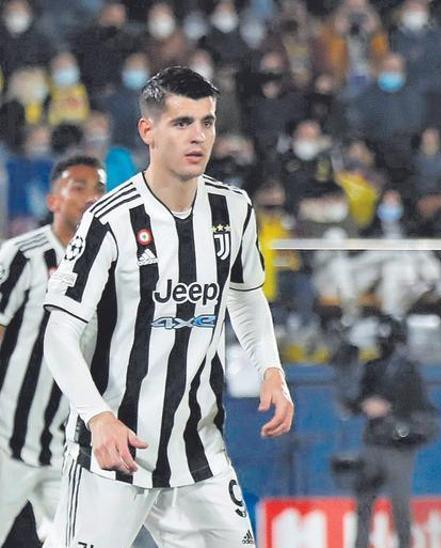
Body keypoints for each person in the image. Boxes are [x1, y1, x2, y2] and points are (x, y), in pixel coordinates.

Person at [40, 66, 294, 546]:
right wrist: (97, 416)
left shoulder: (233, 209)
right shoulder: (109, 220)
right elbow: (59, 332)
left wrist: (270, 368)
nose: (198, 136)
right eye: (182, 123)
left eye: (207, 122)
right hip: (113, 453)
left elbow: (245, 295)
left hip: (197, 452)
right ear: (148, 130)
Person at [0, 155, 105, 543]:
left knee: (83, 539)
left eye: (99, 189)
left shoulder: (107, 268)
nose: (91, 196)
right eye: (78, 187)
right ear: (53, 200)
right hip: (6, 441)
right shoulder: (22, 256)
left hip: (65, 446)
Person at [350, 314, 438, 548]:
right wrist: (365, 404)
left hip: (398, 445)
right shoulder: (371, 368)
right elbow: (354, 399)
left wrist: (391, 409)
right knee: (363, 503)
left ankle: (404, 544)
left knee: (400, 506)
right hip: (374, 441)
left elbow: (420, 406)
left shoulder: (409, 370)